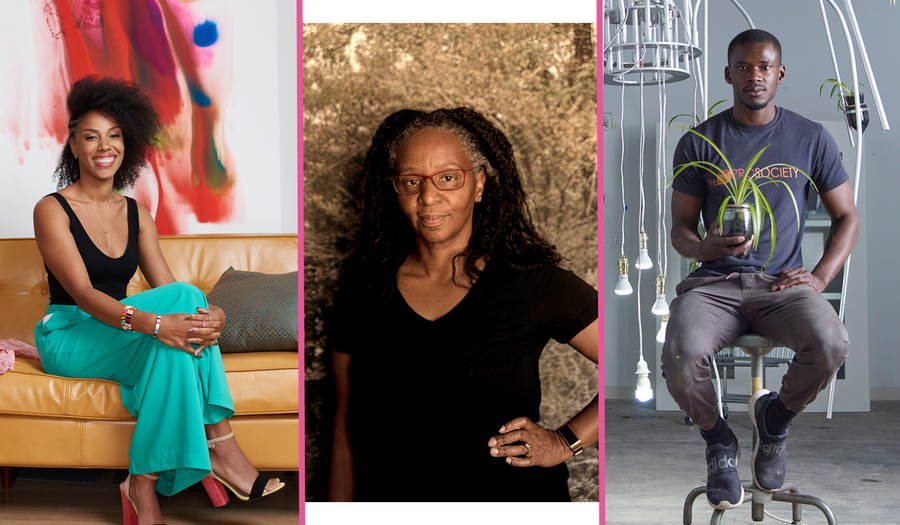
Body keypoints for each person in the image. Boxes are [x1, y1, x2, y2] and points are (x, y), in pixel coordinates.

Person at [32, 76, 284, 525]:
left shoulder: (137, 214)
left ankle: (140, 484)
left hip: (122, 333)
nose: (103, 146)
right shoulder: (52, 209)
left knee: (178, 335)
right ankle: (221, 446)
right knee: (176, 319)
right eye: (90, 136)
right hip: (71, 333)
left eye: (114, 135)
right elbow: (86, 295)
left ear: (126, 144)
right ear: (73, 145)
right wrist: (155, 323)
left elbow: (169, 286)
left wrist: (212, 314)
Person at [327, 108, 599, 504]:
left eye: (449, 177)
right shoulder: (363, 293)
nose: (429, 196)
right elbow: (344, 429)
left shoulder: (532, 284)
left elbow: (633, 358)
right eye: (411, 181)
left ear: (479, 185)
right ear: (395, 189)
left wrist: (564, 442)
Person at [662, 29, 859, 510]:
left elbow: (847, 216)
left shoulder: (811, 137)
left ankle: (774, 421)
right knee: (681, 356)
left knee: (832, 342)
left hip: (782, 286)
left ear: (780, 73)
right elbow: (680, 229)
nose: (755, 76)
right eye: (744, 67)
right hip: (715, 285)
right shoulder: (700, 141)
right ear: (728, 74)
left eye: (765, 67)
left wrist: (819, 277)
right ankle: (718, 442)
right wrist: (704, 248)